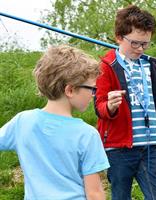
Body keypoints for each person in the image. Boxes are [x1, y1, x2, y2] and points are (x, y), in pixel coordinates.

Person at [94, 5, 156, 200]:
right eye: (135, 43)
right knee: (121, 196)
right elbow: (99, 106)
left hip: (150, 146)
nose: (140, 49)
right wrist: (111, 106)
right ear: (119, 37)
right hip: (119, 148)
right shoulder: (106, 66)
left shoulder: (151, 65)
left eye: (145, 44)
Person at [0, 45, 110, 200]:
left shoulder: (22, 121)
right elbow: (95, 193)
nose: (94, 95)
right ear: (70, 90)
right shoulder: (87, 134)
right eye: (92, 89)